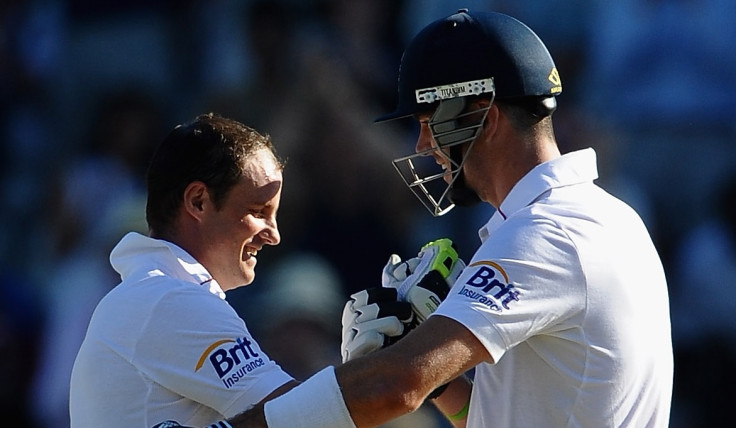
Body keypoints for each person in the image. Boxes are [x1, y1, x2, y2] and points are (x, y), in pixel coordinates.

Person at [155, 9, 673, 428]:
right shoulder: (608, 217)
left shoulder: (547, 233)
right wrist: (443, 382)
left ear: (484, 118)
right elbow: (502, 417)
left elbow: (393, 386)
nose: (424, 145)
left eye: (429, 124)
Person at [69, 113, 299, 427]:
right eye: (258, 211)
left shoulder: (156, 296)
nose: (274, 235)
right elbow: (301, 415)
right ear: (198, 201)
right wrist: (381, 370)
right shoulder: (165, 299)